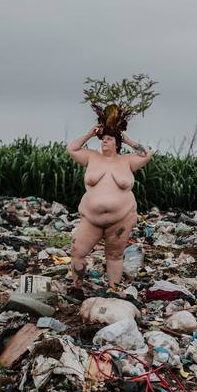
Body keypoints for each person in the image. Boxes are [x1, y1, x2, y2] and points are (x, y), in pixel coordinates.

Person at [66, 124, 153, 290]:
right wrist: (89, 134)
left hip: (121, 218)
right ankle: (77, 288)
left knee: (114, 256)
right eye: (103, 139)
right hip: (91, 219)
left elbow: (147, 153)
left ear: (117, 143)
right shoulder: (92, 157)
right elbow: (72, 148)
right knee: (77, 251)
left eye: (109, 139)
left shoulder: (127, 160)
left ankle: (113, 290)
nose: (104, 141)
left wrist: (128, 140)